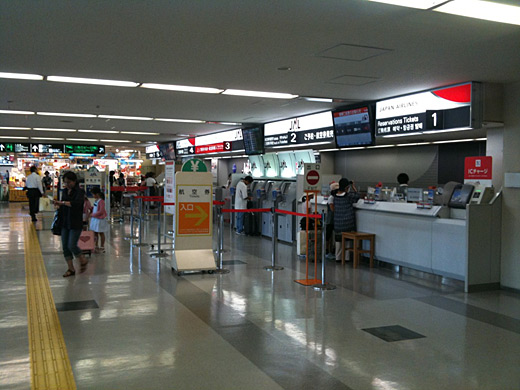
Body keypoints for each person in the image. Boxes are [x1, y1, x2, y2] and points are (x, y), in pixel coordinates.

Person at [54, 171, 88, 277]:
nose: (67, 184)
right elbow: (63, 204)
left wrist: (63, 203)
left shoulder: (80, 192)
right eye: (65, 182)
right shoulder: (64, 191)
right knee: (65, 246)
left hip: (75, 222)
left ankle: (82, 260)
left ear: (74, 181)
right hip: (65, 221)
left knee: (72, 245)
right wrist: (58, 205)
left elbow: (77, 204)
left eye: (69, 182)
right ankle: (71, 268)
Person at [331, 178, 360, 261]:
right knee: (347, 242)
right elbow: (357, 196)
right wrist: (354, 187)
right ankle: (346, 258)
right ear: (347, 187)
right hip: (348, 223)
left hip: (337, 223)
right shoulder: (348, 196)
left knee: (338, 241)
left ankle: (338, 257)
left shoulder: (335, 196)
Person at [89, 187, 108, 253]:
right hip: (95, 219)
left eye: (93, 194)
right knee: (95, 233)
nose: (93, 196)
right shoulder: (96, 201)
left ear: (97, 194)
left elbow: (101, 211)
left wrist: (92, 214)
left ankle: (102, 246)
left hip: (100, 220)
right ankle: (96, 245)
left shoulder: (101, 201)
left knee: (101, 232)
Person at [326, 181, 339, 258]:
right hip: (330, 220)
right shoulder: (331, 198)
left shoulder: (335, 197)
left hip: (334, 219)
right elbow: (332, 209)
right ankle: (327, 250)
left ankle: (333, 250)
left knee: (333, 236)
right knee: (328, 236)